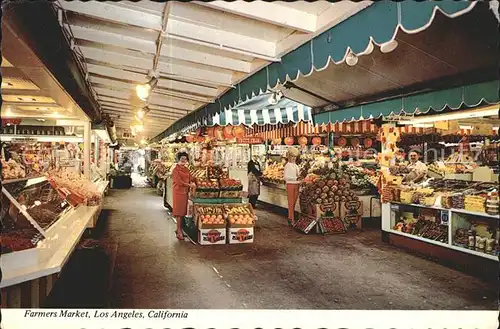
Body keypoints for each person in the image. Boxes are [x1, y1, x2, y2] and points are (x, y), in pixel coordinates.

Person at [172, 152, 196, 240]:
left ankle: (178, 229)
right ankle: (179, 231)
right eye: (182, 158)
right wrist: (190, 185)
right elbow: (178, 182)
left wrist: (196, 181)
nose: (183, 160)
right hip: (178, 193)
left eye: (185, 159)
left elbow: (190, 178)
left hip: (185, 193)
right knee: (178, 213)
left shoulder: (186, 169)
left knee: (182, 212)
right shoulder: (175, 170)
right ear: (178, 159)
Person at [284, 148, 300, 225]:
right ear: (289, 157)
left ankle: (291, 218)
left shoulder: (296, 165)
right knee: (290, 203)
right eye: (292, 156)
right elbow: (286, 177)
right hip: (290, 184)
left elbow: (298, 175)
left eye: (295, 156)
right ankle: (291, 219)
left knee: (294, 202)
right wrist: (295, 178)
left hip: (297, 184)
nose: (294, 158)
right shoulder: (287, 165)